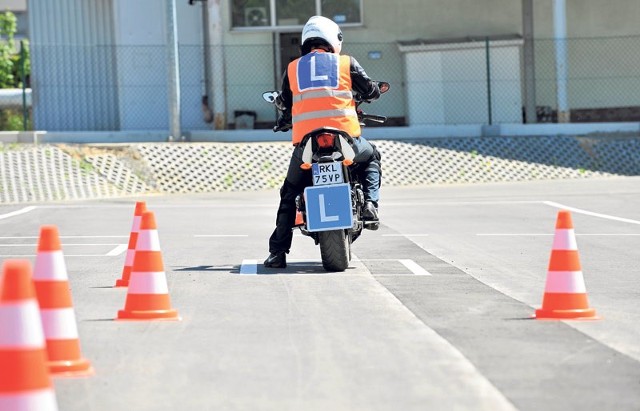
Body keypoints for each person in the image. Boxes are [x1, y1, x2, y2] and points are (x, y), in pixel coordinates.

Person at [264, 15, 382, 269]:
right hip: (346, 140)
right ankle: (371, 205)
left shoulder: (293, 69)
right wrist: (371, 91)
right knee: (371, 156)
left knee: (289, 192)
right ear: (334, 39)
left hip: (307, 145)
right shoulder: (346, 63)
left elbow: (286, 105)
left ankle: (278, 253)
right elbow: (370, 89)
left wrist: (285, 120)